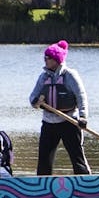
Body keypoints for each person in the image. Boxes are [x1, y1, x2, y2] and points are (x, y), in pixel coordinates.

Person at [29, 40, 91, 175]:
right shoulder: (43, 77)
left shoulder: (70, 75)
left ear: (56, 60)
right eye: (45, 57)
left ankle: (86, 182)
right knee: (44, 160)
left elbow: (81, 96)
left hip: (69, 121)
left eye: (48, 58)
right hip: (48, 123)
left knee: (77, 157)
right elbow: (33, 96)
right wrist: (35, 101)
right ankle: (42, 187)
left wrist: (83, 117)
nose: (45, 60)